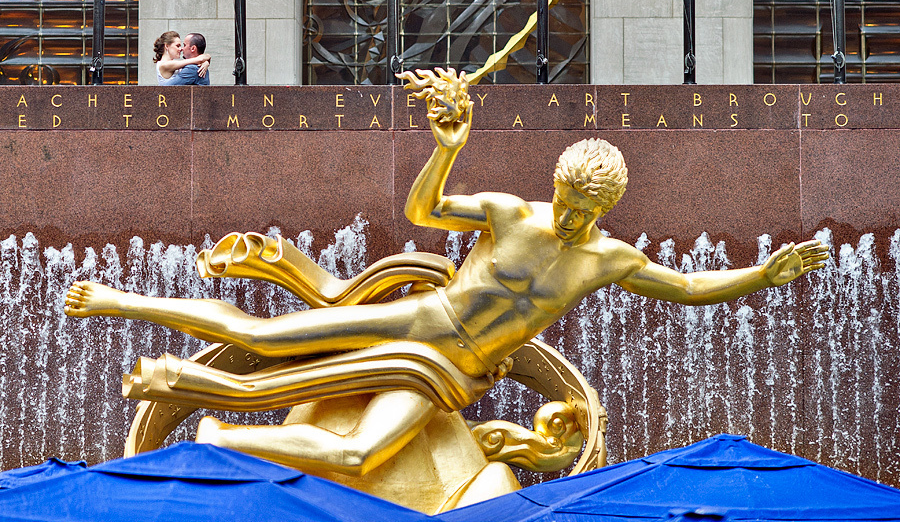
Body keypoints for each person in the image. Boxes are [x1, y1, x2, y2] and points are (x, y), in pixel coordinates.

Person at [64, 68, 828, 478]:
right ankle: (117, 300)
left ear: (606, 207)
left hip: (454, 375)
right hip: (421, 323)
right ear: (557, 187)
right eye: (562, 200)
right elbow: (424, 207)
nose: (563, 218)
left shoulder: (607, 259)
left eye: (578, 211)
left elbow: (689, 287)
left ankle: (222, 431)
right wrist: (448, 145)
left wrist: (762, 272)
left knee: (360, 453)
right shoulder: (509, 212)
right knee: (270, 335)